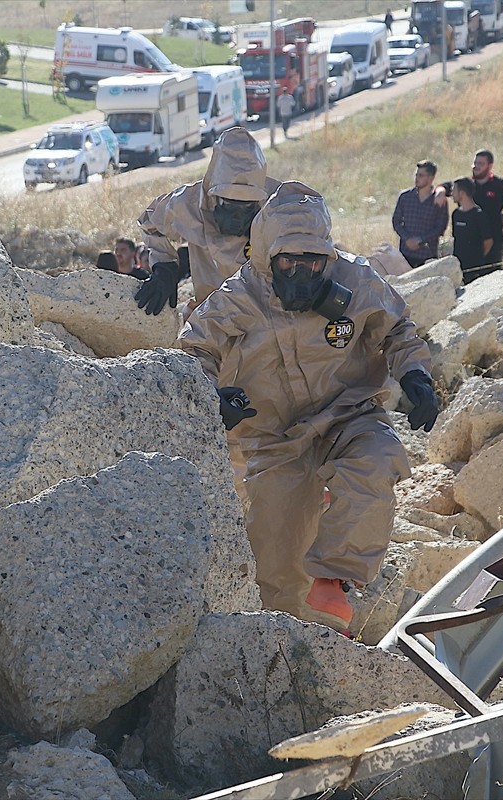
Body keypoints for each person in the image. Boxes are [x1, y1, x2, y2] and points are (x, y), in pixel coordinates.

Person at [179, 181, 438, 630]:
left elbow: (399, 331)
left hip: (348, 413)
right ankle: (285, 645)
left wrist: (416, 376)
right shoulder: (241, 295)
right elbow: (192, 352)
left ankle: (335, 579)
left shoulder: (356, 281)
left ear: (328, 256)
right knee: (276, 559)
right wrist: (211, 398)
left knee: (378, 460)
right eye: (289, 262)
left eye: (313, 261)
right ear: (266, 259)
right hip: (275, 438)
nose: (301, 271)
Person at [136, 127, 282, 317]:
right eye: (230, 204)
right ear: (214, 192)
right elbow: (150, 223)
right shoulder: (188, 203)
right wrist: (165, 266)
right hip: (212, 314)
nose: (237, 215)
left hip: (267, 313)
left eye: (246, 205)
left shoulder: (279, 204)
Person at [391, 160, 448, 268]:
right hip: (405, 254)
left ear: (430, 178)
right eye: (416, 174)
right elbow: (396, 221)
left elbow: (440, 227)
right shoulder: (405, 197)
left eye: (421, 175)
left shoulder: (438, 200)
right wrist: (407, 238)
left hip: (427, 255)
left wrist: (421, 240)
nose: (417, 178)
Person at [468, 149, 503, 266]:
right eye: (475, 163)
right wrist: (440, 191)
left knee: (491, 271)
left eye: (481, 163)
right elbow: (445, 187)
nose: (476, 166)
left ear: (489, 166)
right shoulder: (467, 185)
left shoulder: (500, 185)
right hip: (470, 236)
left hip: (493, 235)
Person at [450, 177, 495, 281]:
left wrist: (478, 258)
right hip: (458, 268)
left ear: (462, 193)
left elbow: (488, 241)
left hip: (475, 269)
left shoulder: (479, 215)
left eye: (454, 189)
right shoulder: (456, 214)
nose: (451, 193)